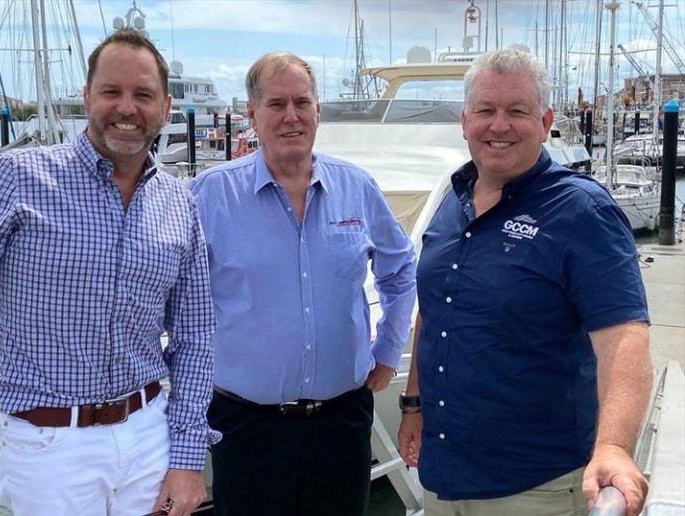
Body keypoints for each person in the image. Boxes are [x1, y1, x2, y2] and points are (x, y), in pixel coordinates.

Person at [0, 28, 217, 516]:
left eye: (143, 95)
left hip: (147, 435)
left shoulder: (179, 199)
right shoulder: (17, 177)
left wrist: (186, 458)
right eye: (111, 92)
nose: (126, 107)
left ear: (164, 108)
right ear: (87, 97)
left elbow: (196, 334)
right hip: (48, 447)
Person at [397, 47, 652, 516]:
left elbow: (623, 339)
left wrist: (614, 447)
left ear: (545, 120)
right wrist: (412, 405)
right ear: (465, 119)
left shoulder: (582, 211)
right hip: (443, 474)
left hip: (535, 486)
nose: (499, 126)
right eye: (486, 111)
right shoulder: (452, 202)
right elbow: (433, 312)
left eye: (517, 111)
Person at [189, 51, 417, 516]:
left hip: (342, 423)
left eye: (302, 102)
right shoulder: (209, 195)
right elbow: (179, 300)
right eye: (276, 104)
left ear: (318, 109)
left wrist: (389, 351)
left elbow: (400, 270)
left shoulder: (357, 186)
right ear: (252, 114)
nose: (291, 116)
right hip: (246, 426)